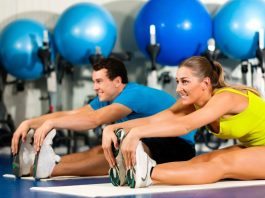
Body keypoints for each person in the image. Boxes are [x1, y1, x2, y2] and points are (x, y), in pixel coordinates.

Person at [11, 57, 196, 179]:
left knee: (119, 151)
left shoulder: (133, 94)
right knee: (101, 151)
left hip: (178, 146)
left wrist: (51, 123)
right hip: (150, 140)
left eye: (99, 81)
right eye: (94, 81)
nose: (95, 87)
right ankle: (38, 163)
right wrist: (30, 123)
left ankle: (52, 170)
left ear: (117, 82)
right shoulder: (107, 97)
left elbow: (94, 120)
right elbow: (74, 114)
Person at [102, 55, 265, 188]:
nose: (178, 88)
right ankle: (131, 170)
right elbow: (156, 120)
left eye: (185, 81)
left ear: (205, 83)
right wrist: (114, 127)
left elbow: (185, 125)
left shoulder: (226, 98)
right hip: (256, 147)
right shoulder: (193, 101)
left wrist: (136, 133)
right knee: (200, 161)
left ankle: (145, 173)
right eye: (178, 81)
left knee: (221, 164)